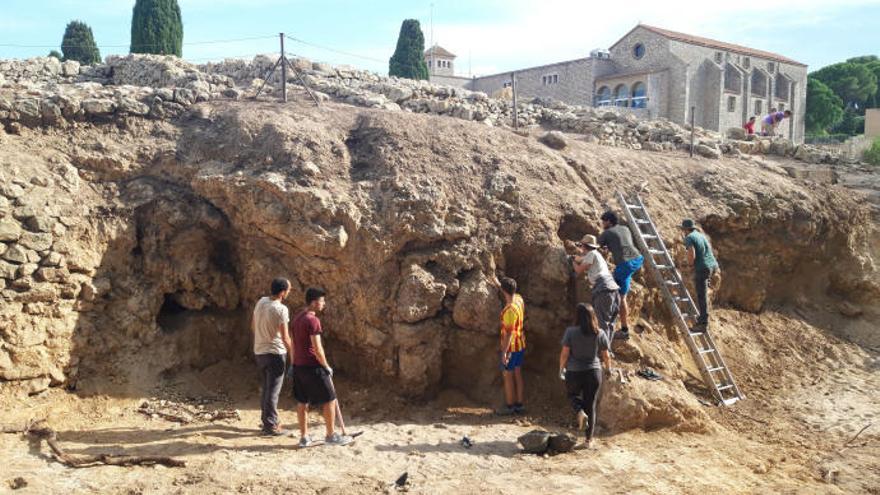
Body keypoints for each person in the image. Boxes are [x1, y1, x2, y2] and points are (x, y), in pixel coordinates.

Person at [290, 288, 353, 447]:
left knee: (302, 401)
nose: (324, 304)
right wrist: (326, 366)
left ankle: (304, 437)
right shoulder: (313, 321)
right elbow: (317, 349)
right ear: (314, 302)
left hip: (299, 366)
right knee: (330, 400)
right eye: (322, 301)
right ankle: (331, 435)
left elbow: (294, 343)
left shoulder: (297, 318)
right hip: (313, 366)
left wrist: (293, 363)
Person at [559, 303, 611, 447]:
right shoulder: (600, 333)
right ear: (592, 316)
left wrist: (561, 368)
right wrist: (608, 369)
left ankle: (579, 411)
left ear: (577, 316)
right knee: (591, 405)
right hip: (594, 372)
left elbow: (564, 353)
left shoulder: (570, 332)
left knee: (572, 396)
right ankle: (588, 441)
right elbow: (605, 355)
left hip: (574, 371)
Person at [252, 277, 292, 436]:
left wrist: (262, 338)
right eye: (289, 290)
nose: (289, 292)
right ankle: (271, 425)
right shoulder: (281, 309)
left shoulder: (261, 302)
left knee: (267, 389)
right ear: (282, 292)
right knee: (273, 391)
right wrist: (294, 354)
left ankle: (266, 421)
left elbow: (253, 325)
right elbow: (285, 337)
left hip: (259, 351)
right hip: (275, 353)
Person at [598, 211, 643, 340]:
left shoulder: (607, 233)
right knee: (622, 296)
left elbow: (595, 246)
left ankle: (606, 326)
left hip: (625, 265)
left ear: (609, 222)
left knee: (611, 292)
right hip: (637, 259)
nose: (602, 224)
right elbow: (620, 242)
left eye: (603, 221)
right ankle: (624, 330)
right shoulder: (625, 228)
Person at [571, 234, 620, 343]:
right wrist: (577, 258)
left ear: (584, 246)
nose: (580, 248)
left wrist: (572, 261)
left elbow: (579, 270)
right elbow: (582, 259)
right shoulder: (596, 255)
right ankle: (607, 351)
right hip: (613, 288)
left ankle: (602, 352)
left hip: (603, 288)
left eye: (581, 246)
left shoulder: (591, 254)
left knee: (601, 322)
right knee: (609, 323)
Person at [681, 219, 720, 332]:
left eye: (683, 229)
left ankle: (703, 323)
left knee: (701, 296)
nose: (683, 232)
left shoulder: (689, 238)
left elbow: (691, 254)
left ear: (686, 229)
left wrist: (689, 264)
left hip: (703, 268)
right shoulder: (700, 235)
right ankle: (703, 320)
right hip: (712, 266)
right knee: (703, 293)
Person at [494, 276, 526, 415]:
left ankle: (509, 406)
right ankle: (519, 405)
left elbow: (509, 334)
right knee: (517, 374)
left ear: (504, 291)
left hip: (511, 347)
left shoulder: (509, 311)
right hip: (520, 344)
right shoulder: (518, 299)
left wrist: (504, 353)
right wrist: (497, 284)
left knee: (508, 376)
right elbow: (507, 292)